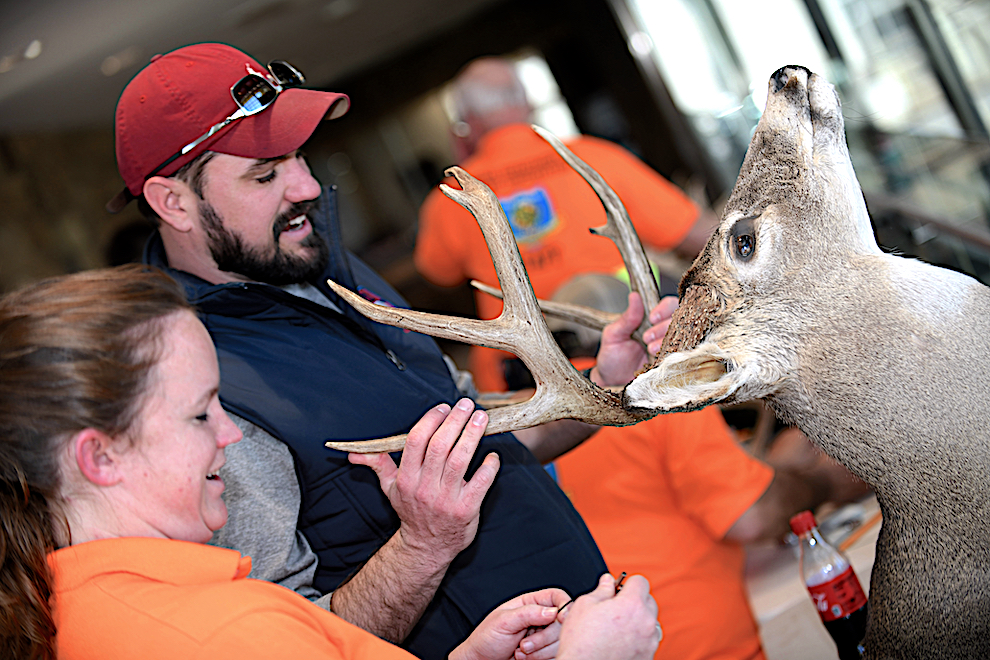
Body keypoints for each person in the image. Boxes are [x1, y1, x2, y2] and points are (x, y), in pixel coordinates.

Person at [107, 42, 670, 658]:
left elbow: (480, 434)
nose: (306, 187)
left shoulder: (338, 271)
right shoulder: (197, 379)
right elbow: (288, 640)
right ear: (173, 203)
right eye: (264, 174)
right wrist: (422, 546)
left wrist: (599, 387)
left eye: (296, 156)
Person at [0, 265, 663, 660]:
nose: (227, 435)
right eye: (201, 414)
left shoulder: (105, 614)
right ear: (100, 456)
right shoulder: (227, 633)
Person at [544, 274, 873, 660]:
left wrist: (768, 468)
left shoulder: (544, 418)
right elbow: (751, 516)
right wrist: (826, 481)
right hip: (710, 647)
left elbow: (652, 509)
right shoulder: (651, 387)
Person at [415, 56, 719, 392]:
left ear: (466, 123)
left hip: (527, 385)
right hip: (634, 360)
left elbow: (438, 273)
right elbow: (703, 236)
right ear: (525, 102)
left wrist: (464, 160)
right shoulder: (594, 157)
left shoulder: (451, 195)